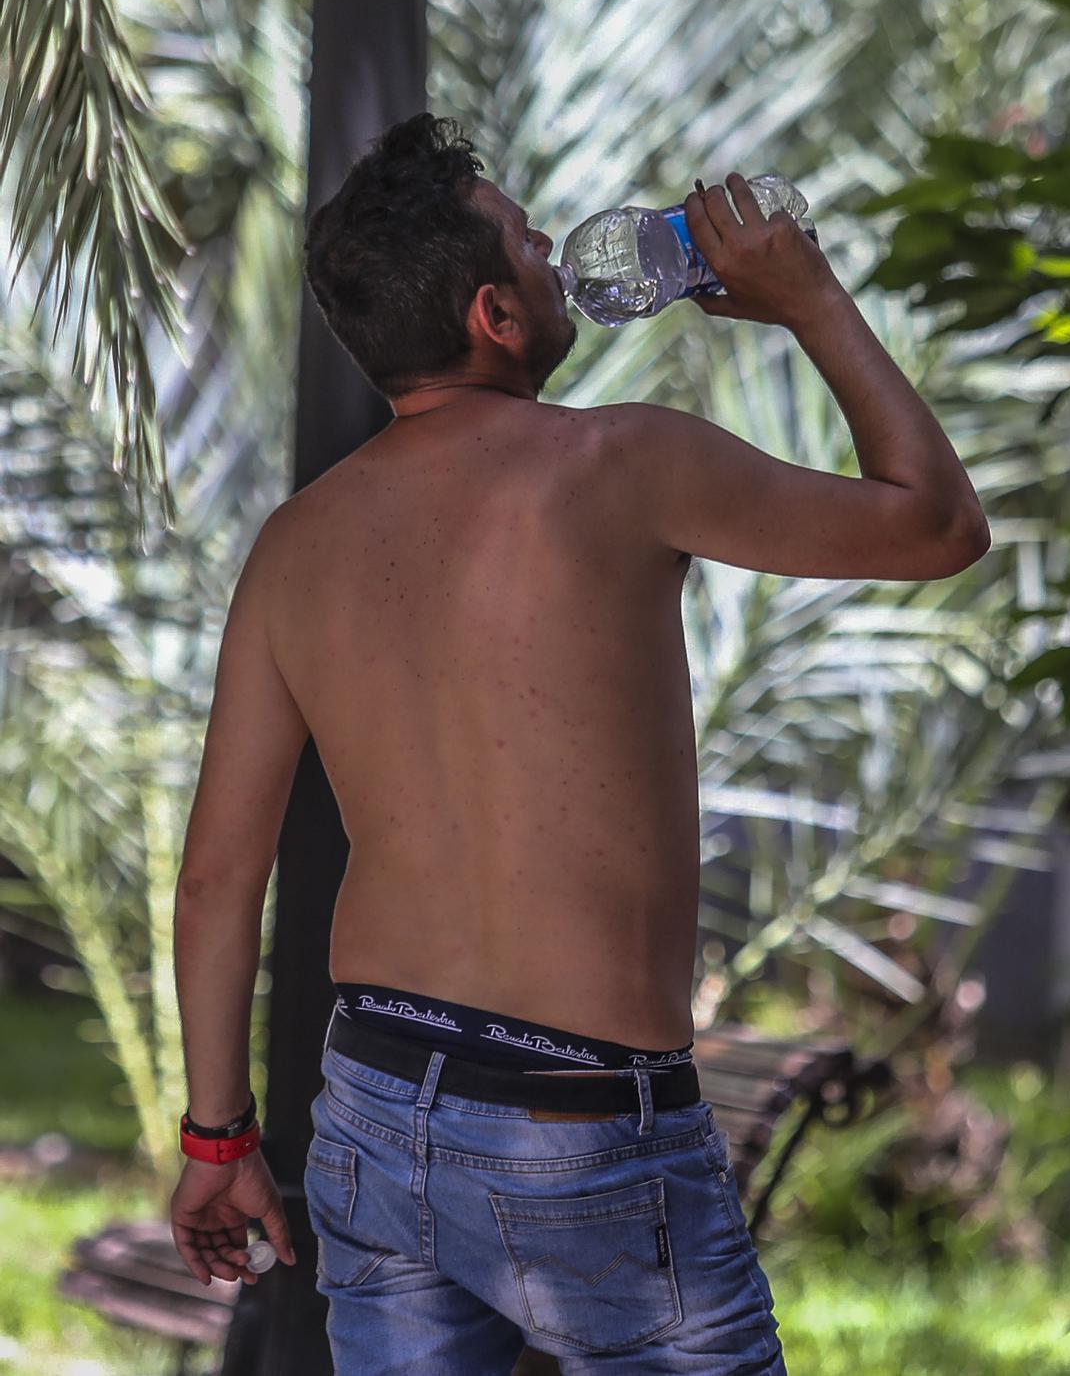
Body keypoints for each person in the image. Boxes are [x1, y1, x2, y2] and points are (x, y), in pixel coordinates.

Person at [169, 111, 990, 1372]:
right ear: (496, 316)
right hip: (582, 1121)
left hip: (377, 1103)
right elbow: (936, 524)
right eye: (537, 246)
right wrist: (809, 299)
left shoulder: (298, 543)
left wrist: (218, 1144)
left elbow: (219, 877)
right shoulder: (620, 460)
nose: (565, 261)